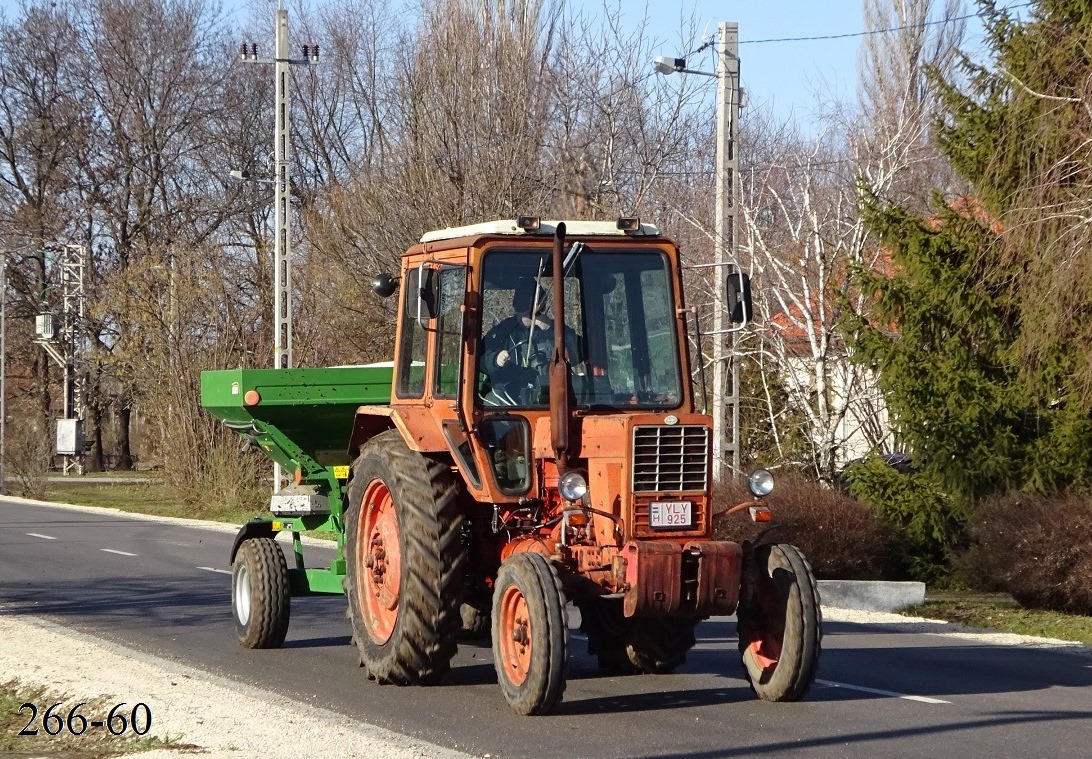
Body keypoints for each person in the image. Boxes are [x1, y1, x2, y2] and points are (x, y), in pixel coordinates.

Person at [480, 277, 580, 405]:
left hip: (554, 393)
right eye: (522, 305)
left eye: (536, 306)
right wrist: (496, 359)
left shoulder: (557, 329)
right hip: (510, 396)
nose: (528, 312)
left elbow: (580, 354)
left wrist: (551, 329)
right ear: (516, 306)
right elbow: (480, 358)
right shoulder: (504, 331)